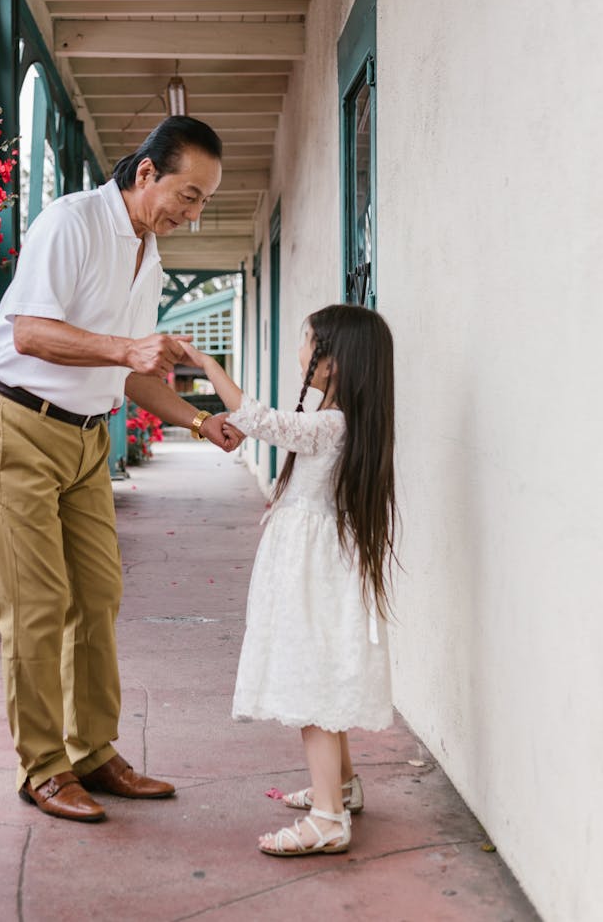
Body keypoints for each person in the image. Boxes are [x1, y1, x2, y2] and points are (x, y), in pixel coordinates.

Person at [0, 116, 241, 824]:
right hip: (15, 422)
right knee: (37, 603)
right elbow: (29, 331)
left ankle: (90, 749)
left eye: (205, 200)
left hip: (85, 437)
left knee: (98, 595)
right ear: (146, 172)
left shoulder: (150, 255)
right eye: (189, 193)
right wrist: (125, 350)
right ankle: (43, 766)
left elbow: (136, 371)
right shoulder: (73, 222)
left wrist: (198, 421)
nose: (194, 212)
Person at [180, 303, 397, 856]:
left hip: (309, 569)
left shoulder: (331, 423)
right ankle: (342, 788)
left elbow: (264, 421)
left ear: (333, 363)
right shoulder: (344, 419)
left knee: (310, 683)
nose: (300, 349)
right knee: (320, 672)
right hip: (315, 563)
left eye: (307, 341)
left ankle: (328, 819)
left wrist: (207, 363)